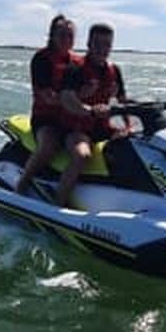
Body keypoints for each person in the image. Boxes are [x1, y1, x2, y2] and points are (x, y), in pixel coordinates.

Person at [55, 22, 128, 207]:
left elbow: (123, 100)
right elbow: (66, 99)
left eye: (107, 45)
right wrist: (89, 110)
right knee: (82, 156)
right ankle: (57, 204)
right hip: (75, 128)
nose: (102, 49)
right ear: (89, 43)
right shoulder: (75, 68)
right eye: (98, 44)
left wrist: (146, 105)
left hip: (102, 127)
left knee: (134, 144)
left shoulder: (114, 70)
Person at [15, 15, 80, 195]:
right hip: (46, 119)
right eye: (62, 35)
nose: (67, 40)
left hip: (71, 119)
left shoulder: (76, 62)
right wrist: (76, 102)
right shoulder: (41, 59)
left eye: (70, 36)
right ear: (52, 36)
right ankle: (22, 183)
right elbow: (48, 97)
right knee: (50, 145)